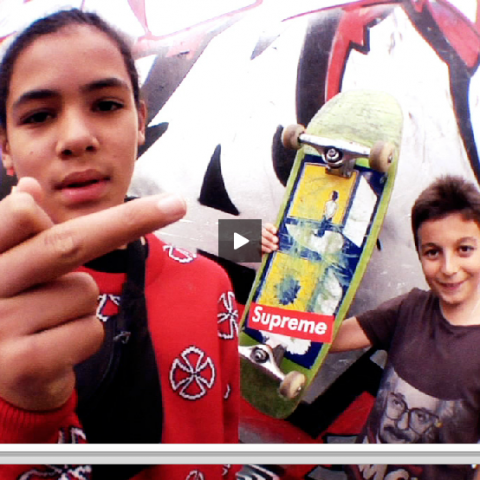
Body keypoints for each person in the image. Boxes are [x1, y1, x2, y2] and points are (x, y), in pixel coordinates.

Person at [0, 8, 239, 480]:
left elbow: (224, 447)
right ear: (6, 147)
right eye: (40, 115)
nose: (77, 138)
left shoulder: (210, 285)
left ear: (140, 120)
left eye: (106, 105)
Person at [262, 175, 480, 480]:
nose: (448, 268)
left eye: (464, 249)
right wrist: (263, 247)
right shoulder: (410, 308)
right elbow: (321, 338)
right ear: (419, 254)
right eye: (433, 252)